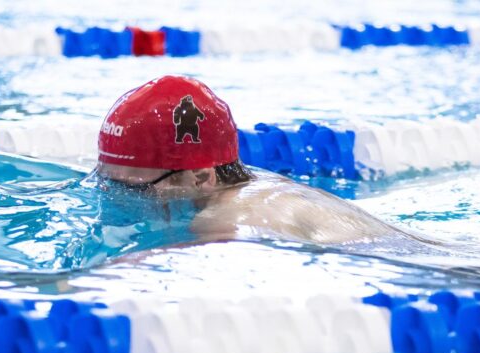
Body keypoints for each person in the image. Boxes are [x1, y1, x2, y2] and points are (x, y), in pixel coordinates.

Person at [89, 75, 432, 247]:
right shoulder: (254, 186)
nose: (111, 195)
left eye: (132, 188)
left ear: (201, 178)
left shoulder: (229, 221)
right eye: (105, 179)